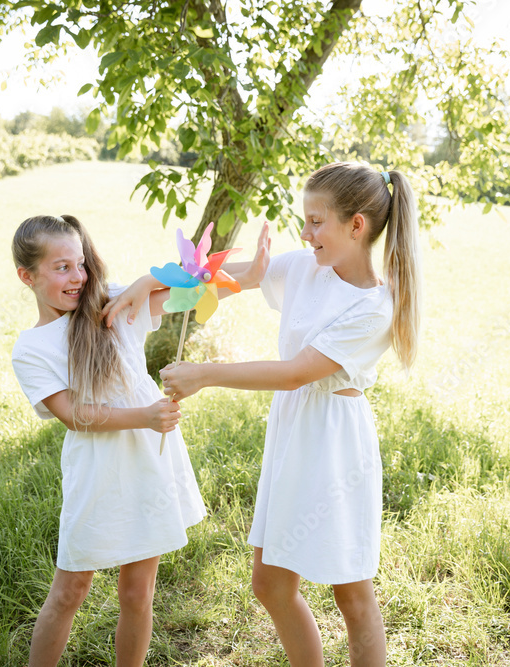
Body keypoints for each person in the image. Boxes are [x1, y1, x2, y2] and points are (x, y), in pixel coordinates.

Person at [156, 163, 423, 667]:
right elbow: (211, 277)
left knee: (351, 591)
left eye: (316, 221)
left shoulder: (373, 307)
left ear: (357, 225)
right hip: (294, 432)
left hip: (334, 443)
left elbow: (297, 372)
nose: (305, 232)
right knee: (271, 583)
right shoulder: (306, 266)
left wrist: (204, 373)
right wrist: (128, 291)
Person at [10, 213, 261, 667]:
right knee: (71, 589)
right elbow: (74, 415)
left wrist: (149, 279)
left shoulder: (116, 305)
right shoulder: (32, 348)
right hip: (98, 474)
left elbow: (207, 285)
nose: (77, 277)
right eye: (61, 267)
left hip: (149, 466)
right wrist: (144, 416)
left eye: (80, 264)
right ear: (27, 276)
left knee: (137, 593)